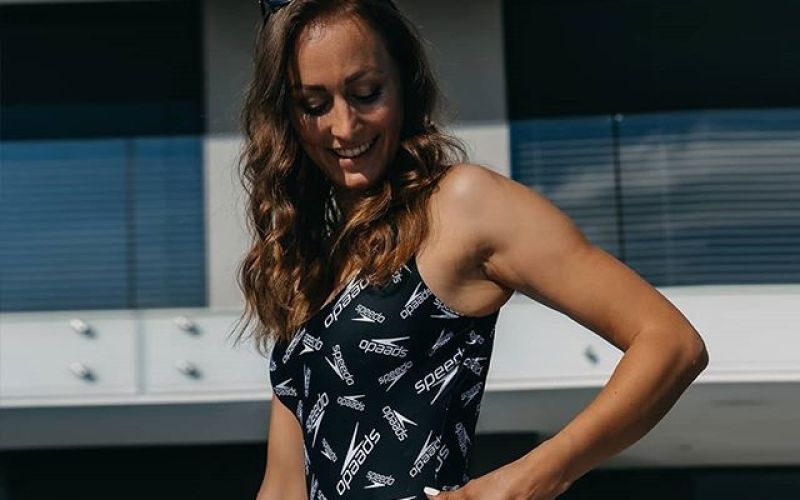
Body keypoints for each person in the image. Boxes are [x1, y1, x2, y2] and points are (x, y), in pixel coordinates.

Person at [233, 1, 710, 499]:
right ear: (286, 116)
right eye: (313, 104)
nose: (345, 125)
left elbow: (671, 343)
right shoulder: (307, 265)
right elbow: (283, 485)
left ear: (405, 83)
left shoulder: (461, 205)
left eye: (367, 93)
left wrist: (525, 480)